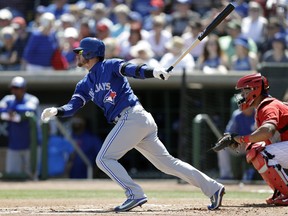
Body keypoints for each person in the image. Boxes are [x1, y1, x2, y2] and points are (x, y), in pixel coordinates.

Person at [41, 37, 225, 212]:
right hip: (134, 121)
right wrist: (58, 111)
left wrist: (153, 72)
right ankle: (213, 187)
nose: (77, 55)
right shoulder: (85, 83)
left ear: (89, 54)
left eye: (80, 52)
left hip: (132, 116)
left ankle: (134, 194)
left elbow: (132, 69)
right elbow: (74, 106)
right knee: (167, 164)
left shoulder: (110, 65)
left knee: (103, 159)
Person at [220, 73, 288, 205]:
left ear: (255, 90)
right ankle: (281, 191)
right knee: (256, 148)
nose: (242, 96)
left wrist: (241, 139)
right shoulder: (263, 107)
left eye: (245, 92)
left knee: (261, 153)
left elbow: (268, 131)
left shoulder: (268, 106)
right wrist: (240, 140)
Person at [0, 76, 40, 179]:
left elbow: (30, 108)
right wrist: (9, 113)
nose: (14, 90)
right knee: (12, 175)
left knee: (33, 176)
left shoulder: (31, 99)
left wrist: (12, 110)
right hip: (14, 145)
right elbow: (1, 107)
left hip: (31, 145)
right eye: (13, 88)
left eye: (17, 88)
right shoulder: (8, 99)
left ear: (23, 89)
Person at [217, 107, 256, 180]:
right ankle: (226, 176)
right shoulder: (237, 114)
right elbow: (229, 133)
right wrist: (237, 140)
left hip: (254, 145)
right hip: (240, 145)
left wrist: (249, 141)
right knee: (222, 145)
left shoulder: (258, 113)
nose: (245, 107)